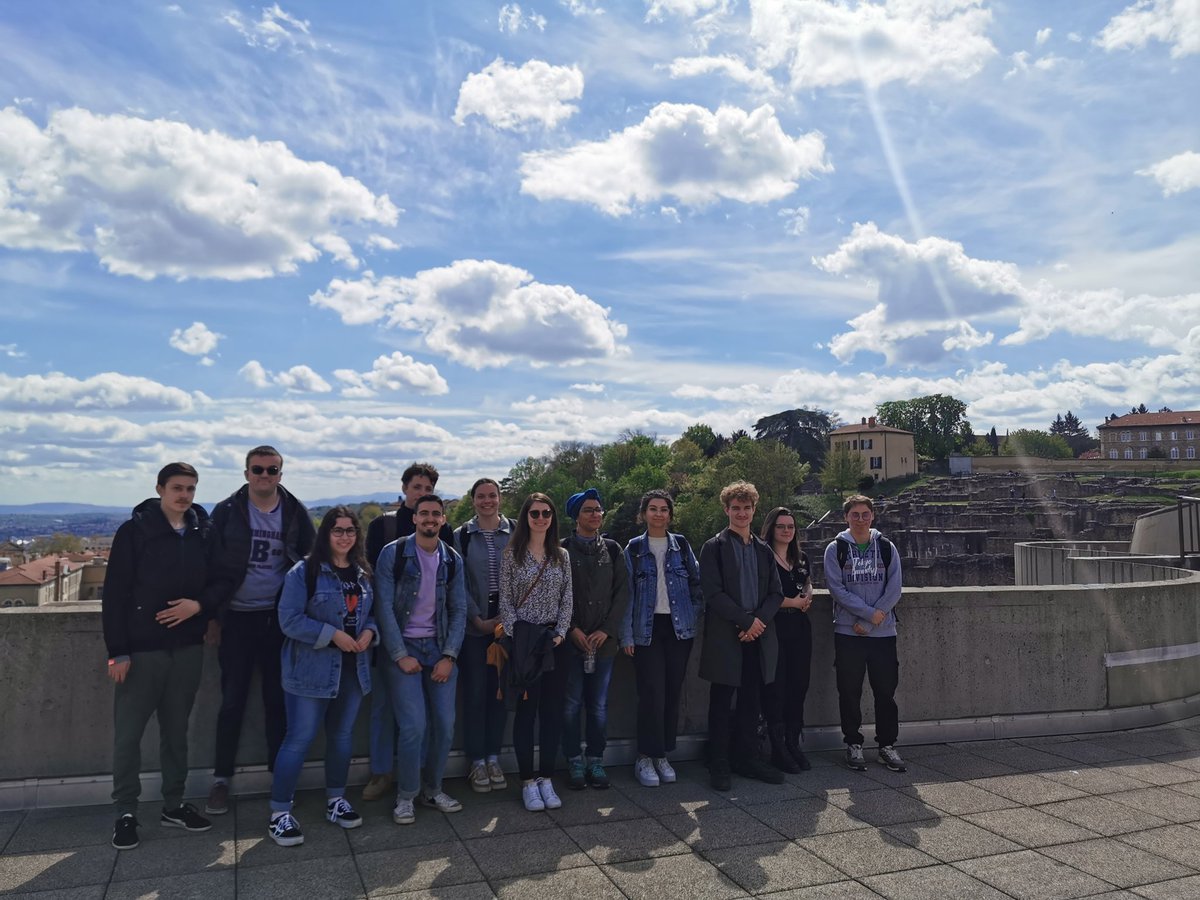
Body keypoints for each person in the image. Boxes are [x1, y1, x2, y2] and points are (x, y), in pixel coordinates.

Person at [103, 462, 225, 850]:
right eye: (177, 487)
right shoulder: (135, 531)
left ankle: (174, 804)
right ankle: (126, 812)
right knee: (129, 736)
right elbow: (115, 594)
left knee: (177, 734)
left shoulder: (203, 531)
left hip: (187, 647)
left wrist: (199, 606)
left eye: (190, 488)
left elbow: (223, 579)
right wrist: (117, 652)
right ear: (159, 489)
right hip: (141, 651)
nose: (184, 495)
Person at [206, 445, 316, 816]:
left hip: (278, 620)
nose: (264, 476)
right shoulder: (225, 512)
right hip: (236, 618)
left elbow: (311, 562)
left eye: (272, 470)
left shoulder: (296, 512)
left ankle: (278, 779)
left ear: (281, 475)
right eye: (258, 469)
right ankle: (221, 780)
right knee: (232, 701)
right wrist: (212, 616)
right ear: (246, 472)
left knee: (276, 702)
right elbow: (211, 565)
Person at [267, 507, 376, 847]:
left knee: (341, 737)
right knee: (299, 738)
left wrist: (370, 633)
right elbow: (289, 620)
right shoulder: (304, 572)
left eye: (350, 530)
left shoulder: (362, 573)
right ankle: (279, 813)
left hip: (352, 669)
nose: (344, 536)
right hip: (311, 671)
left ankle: (335, 800)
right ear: (325, 534)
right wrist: (332, 634)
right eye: (337, 530)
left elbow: (371, 616)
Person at [362, 463, 453, 802]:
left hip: (434, 638)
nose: (420, 493)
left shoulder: (443, 531)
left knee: (423, 718)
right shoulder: (382, 527)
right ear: (405, 489)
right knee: (384, 707)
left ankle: (420, 783)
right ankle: (382, 772)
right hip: (390, 635)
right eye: (416, 487)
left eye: (426, 487)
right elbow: (369, 577)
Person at [375, 494, 467, 826]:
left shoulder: (452, 559)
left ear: (443, 520)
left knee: (444, 725)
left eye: (436, 514)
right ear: (414, 518)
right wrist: (399, 655)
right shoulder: (394, 554)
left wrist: (449, 656)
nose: (430, 519)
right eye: (424, 513)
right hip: (404, 648)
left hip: (439, 648)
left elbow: (459, 611)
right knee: (414, 726)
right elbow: (383, 608)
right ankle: (406, 795)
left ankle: (433, 789)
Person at [698, 481, 784, 791]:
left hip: (757, 636)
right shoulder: (714, 547)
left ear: (754, 510)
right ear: (726, 510)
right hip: (727, 635)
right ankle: (719, 761)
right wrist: (746, 621)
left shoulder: (763, 549)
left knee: (752, 700)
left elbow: (776, 592)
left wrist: (758, 621)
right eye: (736, 508)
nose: (742, 513)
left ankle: (748, 757)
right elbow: (713, 593)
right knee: (721, 701)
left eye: (747, 508)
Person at [621, 489, 702, 788]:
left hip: (679, 628)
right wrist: (626, 634)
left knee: (671, 691)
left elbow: (697, 583)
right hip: (647, 629)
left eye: (663, 509)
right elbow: (626, 595)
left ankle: (663, 753)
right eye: (652, 509)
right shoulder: (632, 548)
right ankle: (645, 755)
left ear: (670, 514)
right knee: (651, 692)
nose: (658, 514)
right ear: (643, 514)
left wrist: (693, 613)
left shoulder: (681, 545)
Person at [499, 493, 572, 812]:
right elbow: (505, 602)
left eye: (546, 513)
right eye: (534, 513)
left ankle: (546, 777)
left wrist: (560, 633)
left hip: (554, 643)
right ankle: (528, 781)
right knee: (526, 714)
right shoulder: (512, 555)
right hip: (525, 644)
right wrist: (520, 637)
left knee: (553, 713)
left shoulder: (561, 555)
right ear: (525, 517)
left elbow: (568, 597)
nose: (541, 518)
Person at [824, 494, 905, 773]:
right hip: (848, 633)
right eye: (855, 514)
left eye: (865, 514)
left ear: (873, 516)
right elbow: (837, 590)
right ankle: (853, 743)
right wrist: (870, 615)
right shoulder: (835, 549)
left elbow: (894, 588)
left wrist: (871, 621)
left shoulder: (886, 547)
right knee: (849, 691)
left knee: (885, 692)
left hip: (882, 634)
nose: (860, 519)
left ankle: (886, 745)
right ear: (846, 517)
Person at [560, 488, 629, 790]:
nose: (595, 515)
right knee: (571, 705)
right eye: (588, 510)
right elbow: (556, 595)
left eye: (599, 509)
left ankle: (596, 761)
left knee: (598, 706)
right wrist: (571, 628)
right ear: (576, 516)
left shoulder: (613, 549)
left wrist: (607, 630)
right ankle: (574, 760)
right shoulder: (560, 550)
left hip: (603, 644)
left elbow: (622, 593)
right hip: (570, 642)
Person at [454, 478, 514, 793]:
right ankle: (476, 761)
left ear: (500, 498)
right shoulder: (461, 536)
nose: (487, 501)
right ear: (473, 500)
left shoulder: (515, 531)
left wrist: (506, 618)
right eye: (481, 496)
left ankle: (494, 757)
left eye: (492, 495)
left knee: (499, 695)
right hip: (473, 628)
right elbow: (457, 582)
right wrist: (477, 619)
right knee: (475, 695)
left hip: (508, 627)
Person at [760, 507, 814, 774]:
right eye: (781, 526)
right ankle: (778, 748)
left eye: (790, 526)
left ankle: (793, 743)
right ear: (771, 528)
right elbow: (761, 595)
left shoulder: (801, 557)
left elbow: (807, 583)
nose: (786, 531)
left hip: (800, 628)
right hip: (775, 629)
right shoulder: (762, 556)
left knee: (799, 686)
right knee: (776, 688)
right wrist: (793, 601)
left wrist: (807, 596)